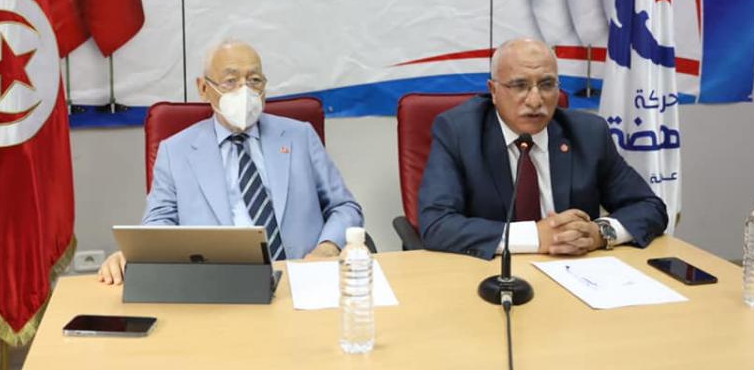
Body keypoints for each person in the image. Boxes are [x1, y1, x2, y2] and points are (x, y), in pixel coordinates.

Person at [99, 40, 364, 284]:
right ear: (204, 89)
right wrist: (135, 254)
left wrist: (327, 248)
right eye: (230, 81)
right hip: (216, 283)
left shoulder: (300, 136)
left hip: (302, 278)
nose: (244, 91)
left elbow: (345, 207)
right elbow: (159, 223)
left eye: (254, 80)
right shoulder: (175, 151)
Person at [418, 38, 667, 259]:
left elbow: (649, 207)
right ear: (493, 91)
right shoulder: (459, 133)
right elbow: (436, 224)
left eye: (547, 85)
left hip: (575, 273)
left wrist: (598, 233)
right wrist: (537, 236)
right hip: (489, 275)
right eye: (519, 85)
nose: (535, 100)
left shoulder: (589, 133)